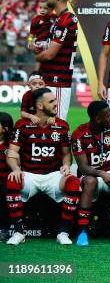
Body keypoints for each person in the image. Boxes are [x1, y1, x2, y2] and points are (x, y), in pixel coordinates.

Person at [5, 88, 79, 245]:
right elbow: (11, 153)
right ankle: (19, 231)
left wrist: (66, 164)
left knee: (73, 182)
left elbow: (66, 154)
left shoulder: (62, 126)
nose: (56, 103)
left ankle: (63, 232)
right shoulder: (22, 125)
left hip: (53, 175)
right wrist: (15, 169)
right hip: (29, 175)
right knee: (12, 180)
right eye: (51, 101)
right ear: (40, 106)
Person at [71, 101, 110, 247]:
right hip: (91, 173)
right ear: (98, 119)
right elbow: (83, 167)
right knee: (90, 182)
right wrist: (102, 174)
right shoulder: (79, 134)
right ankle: (83, 232)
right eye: (108, 115)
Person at [32, 0, 78, 120]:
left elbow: (50, 54)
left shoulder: (67, 19)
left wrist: (37, 56)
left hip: (58, 81)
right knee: (44, 125)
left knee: (56, 124)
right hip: (49, 79)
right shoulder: (57, 19)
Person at [27, 0, 55, 70]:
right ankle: (36, 73)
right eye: (40, 8)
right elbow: (31, 34)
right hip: (39, 43)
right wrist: (30, 42)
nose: (42, 10)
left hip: (51, 43)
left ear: (52, 9)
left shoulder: (55, 17)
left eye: (45, 8)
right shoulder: (35, 20)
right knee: (39, 60)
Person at [0, 112, 14, 241]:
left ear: (5, 129)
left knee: (4, 195)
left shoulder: (10, 146)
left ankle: (3, 229)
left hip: (4, 181)